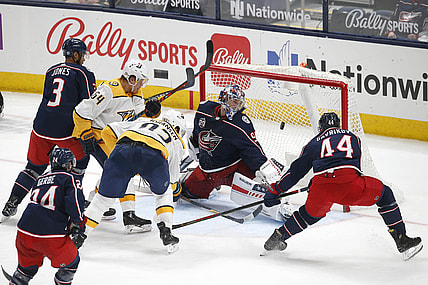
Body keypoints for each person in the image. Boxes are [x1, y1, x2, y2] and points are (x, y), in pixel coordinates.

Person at [262, 112, 423, 260]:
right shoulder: (353, 137)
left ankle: (276, 239)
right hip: (349, 185)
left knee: (308, 215)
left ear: (320, 128)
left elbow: (295, 172)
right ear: (339, 126)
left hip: (322, 188)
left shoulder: (313, 143)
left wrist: (276, 190)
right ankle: (401, 239)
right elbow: (352, 167)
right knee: (385, 194)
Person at [1, 38, 96, 223]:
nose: (84, 58)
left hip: (41, 127)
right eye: (83, 55)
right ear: (75, 55)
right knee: (81, 162)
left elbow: (47, 98)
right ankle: (69, 205)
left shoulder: (51, 70)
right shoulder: (84, 74)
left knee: (33, 168)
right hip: (66, 131)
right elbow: (88, 105)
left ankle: (11, 203)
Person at [72, 109, 187, 253]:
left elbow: (108, 131)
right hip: (153, 157)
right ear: (177, 127)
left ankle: (79, 237)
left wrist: (121, 157)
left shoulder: (143, 120)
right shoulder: (177, 140)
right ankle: (166, 231)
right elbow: (172, 180)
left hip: (123, 150)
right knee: (164, 194)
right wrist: (175, 189)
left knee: (101, 201)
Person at [72, 58, 161, 232]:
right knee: (122, 168)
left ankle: (93, 201)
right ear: (132, 79)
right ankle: (129, 217)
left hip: (115, 137)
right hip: (98, 136)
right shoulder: (109, 90)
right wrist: (85, 133)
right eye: (140, 81)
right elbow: (81, 111)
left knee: (115, 169)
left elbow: (138, 121)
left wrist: (152, 112)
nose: (142, 85)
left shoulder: (136, 94)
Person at [178, 84, 292, 221]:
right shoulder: (204, 109)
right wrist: (197, 154)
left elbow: (253, 151)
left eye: (239, 103)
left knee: (258, 188)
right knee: (188, 192)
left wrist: (265, 172)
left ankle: (281, 204)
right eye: (234, 101)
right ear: (223, 98)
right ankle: (186, 176)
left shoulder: (241, 123)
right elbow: (196, 135)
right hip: (209, 172)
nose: (236, 106)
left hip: (235, 168)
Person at [8, 148, 86, 284]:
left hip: (24, 231)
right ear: (69, 164)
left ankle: (18, 280)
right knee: (71, 263)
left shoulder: (40, 179)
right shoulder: (70, 178)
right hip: (50, 234)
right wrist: (79, 224)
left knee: (26, 269)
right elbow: (74, 202)